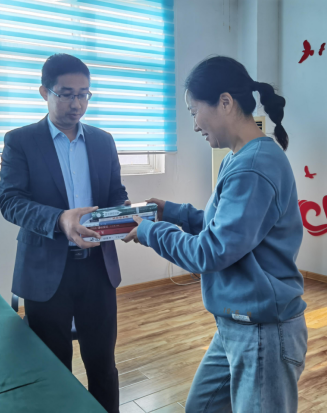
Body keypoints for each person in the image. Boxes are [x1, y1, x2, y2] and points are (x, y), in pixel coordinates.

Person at [123, 56, 308, 413]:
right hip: (234, 323)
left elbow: (212, 251)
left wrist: (151, 232)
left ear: (225, 102)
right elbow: (224, 227)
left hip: (262, 331)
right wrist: (172, 212)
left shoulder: (254, 165)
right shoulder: (237, 158)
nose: (194, 124)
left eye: (194, 112)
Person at [0, 53, 128, 413]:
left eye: (84, 94)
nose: (77, 104)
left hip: (98, 267)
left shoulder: (102, 141)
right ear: (45, 92)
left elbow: (116, 193)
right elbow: (10, 201)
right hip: (45, 271)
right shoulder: (21, 141)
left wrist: (124, 217)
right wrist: (61, 220)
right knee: (53, 368)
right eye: (67, 94)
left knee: (103, 365)